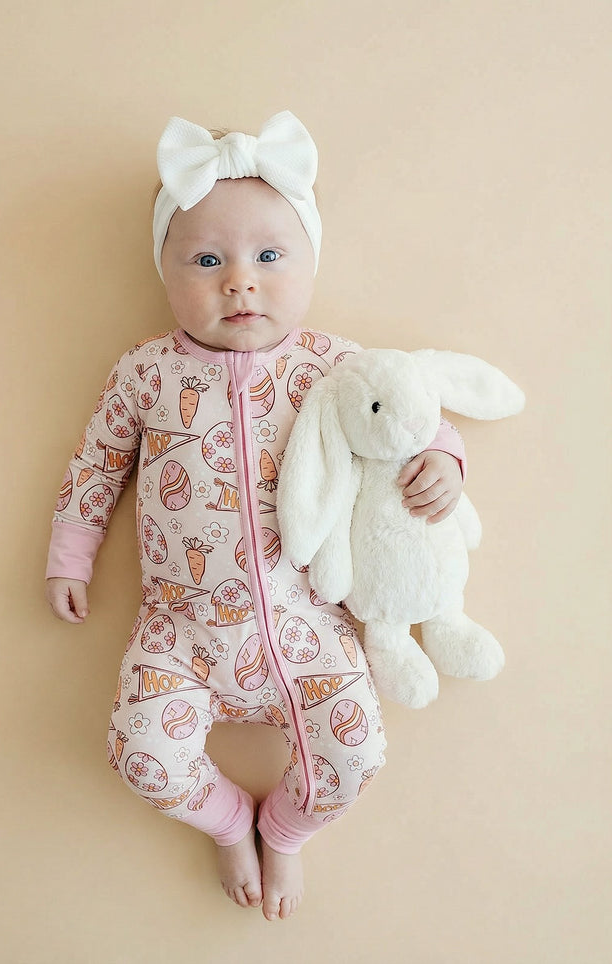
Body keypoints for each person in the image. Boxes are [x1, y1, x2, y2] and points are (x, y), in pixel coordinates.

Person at [45, 111, 465, 921]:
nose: (240, 280)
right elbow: (96, 464)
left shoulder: (331, 366)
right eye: (206, 260)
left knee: (356, 758)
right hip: (181, 632)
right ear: (166, 273)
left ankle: (284, 829)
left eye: (269, 257)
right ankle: (229, 819)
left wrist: (443, 457)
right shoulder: (146, 372)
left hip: (309, 627)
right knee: (141, 758)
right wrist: (71, 555)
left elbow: (407, 410)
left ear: (308, 264)